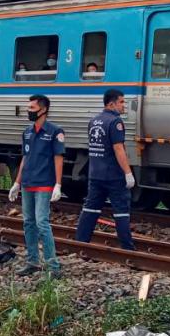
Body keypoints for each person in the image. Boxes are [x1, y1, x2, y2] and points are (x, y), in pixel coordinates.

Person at [8, 94, 64, 278]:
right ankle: (32, 261)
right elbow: (25, 158)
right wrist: (17, 182)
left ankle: (53, 266)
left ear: (44, 110)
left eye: (32, 108)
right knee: (28, 223)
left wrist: (58, 184)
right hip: (28, 183)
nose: (28, 111)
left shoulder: (55, 132)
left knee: (42, 222)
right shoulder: (27, 132)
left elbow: (58, 158)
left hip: (44, 184)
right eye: (29, 108)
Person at [74, 89, 135, 250]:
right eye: (121, 102)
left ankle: (80, 241)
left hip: (95, 174)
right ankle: (127, 247)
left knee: (90, 208)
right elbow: (118, 149)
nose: (124, 106)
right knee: (121, 211)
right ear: (111, 104)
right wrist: (128, 173)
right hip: (113, 175)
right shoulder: (115, 122)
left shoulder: (94, 121)